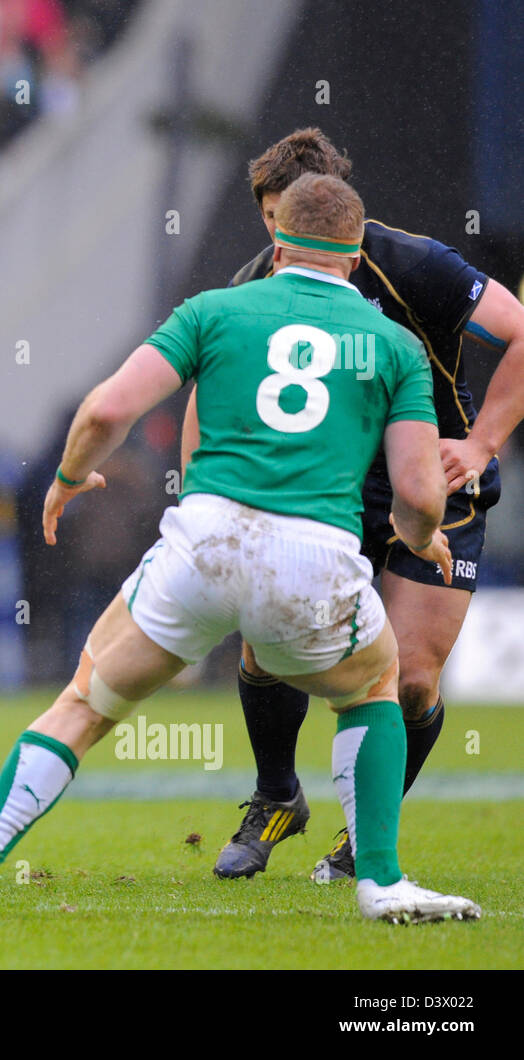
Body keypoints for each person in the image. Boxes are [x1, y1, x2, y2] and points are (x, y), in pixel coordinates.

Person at [0, 174, 481, 925]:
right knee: (374, 690)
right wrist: (425, 542)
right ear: (354, 259)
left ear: (277, 240)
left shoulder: (215, 310)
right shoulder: (395, 345)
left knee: (81, 708)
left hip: (204, 543)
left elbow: (108, 407)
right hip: (315, 559)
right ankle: (378, 880)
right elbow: (417, 494)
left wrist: (65, 478)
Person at [194, 129, 524, 881]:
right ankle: (276, 794)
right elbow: (210, 396)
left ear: (341, 217)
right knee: (263, 642)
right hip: (323, 490)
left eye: (297, 224)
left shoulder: (416, 265)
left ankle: (363, 838)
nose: (284, 245)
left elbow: (521, 335)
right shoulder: (254, 288)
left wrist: (478, 448)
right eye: (272, 225)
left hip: (433, 486)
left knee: (410, 680)